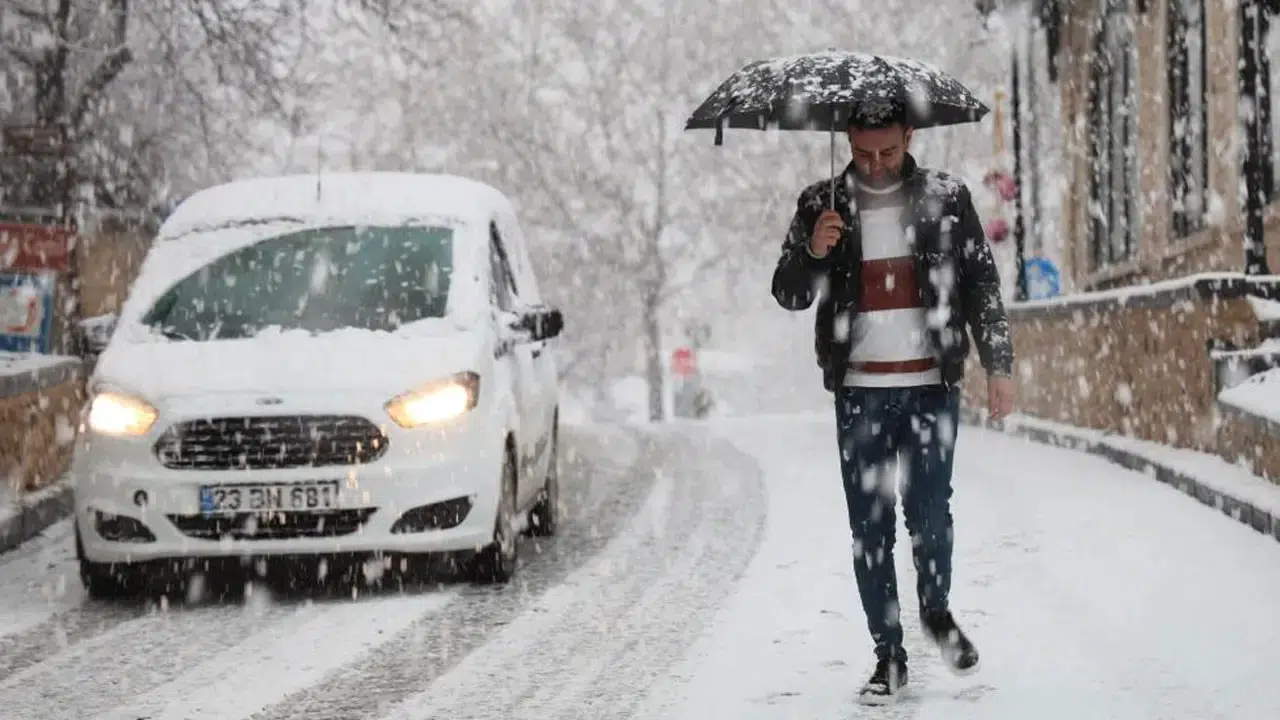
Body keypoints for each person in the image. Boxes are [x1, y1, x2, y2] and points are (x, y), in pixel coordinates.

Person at [770, 102, 1016, 705]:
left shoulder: (947, 199)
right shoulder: (821, 205)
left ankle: (935, 610)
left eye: (888, 151)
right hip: (859, 393)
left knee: (930, 516)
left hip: (932, 387)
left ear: (909, 137)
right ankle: (889, 655)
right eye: (862, 153)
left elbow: (981, 283)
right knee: (869, 527)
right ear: (847, 141)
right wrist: (813, 251)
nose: (875, 165)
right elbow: (788, 293)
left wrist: (999, 364)